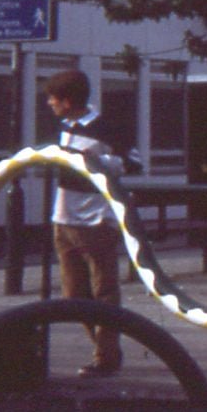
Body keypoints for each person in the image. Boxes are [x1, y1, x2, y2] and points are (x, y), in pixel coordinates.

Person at [45, 69, 140, 378]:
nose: (49, 103)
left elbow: (134, 162)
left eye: (53, 99)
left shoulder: (107, 128)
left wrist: (95, 161)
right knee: (73, 296)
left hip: (95, 220)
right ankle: (106, 348)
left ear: (68, 101)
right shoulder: (61, 127)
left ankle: (106, 356)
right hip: (64, 217)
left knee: (104, 290)